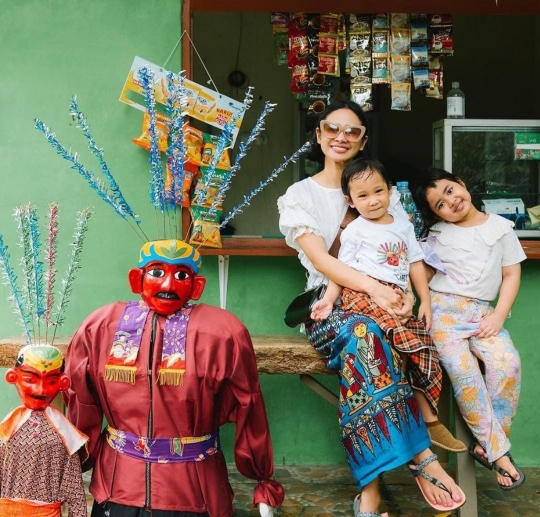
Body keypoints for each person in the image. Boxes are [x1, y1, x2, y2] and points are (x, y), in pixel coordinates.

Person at [278, 100, 465, 516]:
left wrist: (412, 296)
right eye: (332, 128)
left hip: (385, 306)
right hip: (329, 310)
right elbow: (324, 260)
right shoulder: (299, 195)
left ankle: (371, 491)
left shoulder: (383, 194)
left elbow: (405, 250)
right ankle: (420, 457)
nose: (341, 137)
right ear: (319, 133)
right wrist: (374, 291)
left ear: (364, 138)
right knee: (367, 333)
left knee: (380, 337)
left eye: (353, 131)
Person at [64, 239, 284, 517]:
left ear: (197, 285)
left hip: (195, 491)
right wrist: (73, 461)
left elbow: (249, 405)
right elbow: (80, 399)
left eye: (181, 275)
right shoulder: (100, 326)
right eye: (156, 272)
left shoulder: (223, 332)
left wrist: (261, 473)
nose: (168, 285)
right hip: (117, 486)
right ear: (136, 278)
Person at [310, 157, 466, 455]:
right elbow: (341, 269)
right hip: (362, 293)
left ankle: (429, 419)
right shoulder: (354, 230)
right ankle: (410, 416)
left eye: (378, 191)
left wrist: (425, 302)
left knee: (422, 341)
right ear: (350, 201)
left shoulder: (404, 225)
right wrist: (329, 299)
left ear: (391, 191)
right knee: (396, 333)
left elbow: (416, 263)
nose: (372, 201)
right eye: (363, 196)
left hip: (394, 295)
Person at [412, 168, 527, 491]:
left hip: (483, 315)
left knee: (508, 364)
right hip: (443, 314)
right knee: (465, 375)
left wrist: (499, 316)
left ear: (461, 183)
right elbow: (420, 270)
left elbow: (511, 275)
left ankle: (488, 444)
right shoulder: (437, 234)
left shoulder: (502, 229)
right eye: (440, 205)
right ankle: (499, 454)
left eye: (450, 191)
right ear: (436, 215)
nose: (451, 202)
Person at [0, 344, 88, 517]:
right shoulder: (6, 431)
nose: (40, 390)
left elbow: (75, 493)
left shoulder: (65, 436)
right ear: (12, 377)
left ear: (63, 382)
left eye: (51, 381)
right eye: (30, 380)